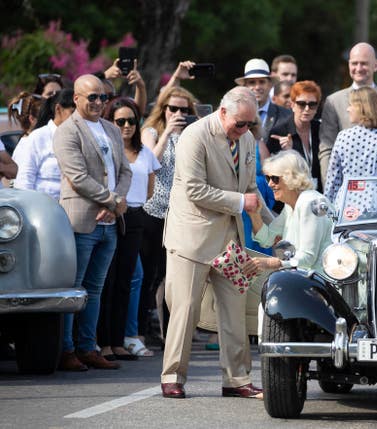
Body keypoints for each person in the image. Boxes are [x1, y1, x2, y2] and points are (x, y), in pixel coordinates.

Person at [160, 86, 271, 399]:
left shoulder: (247, 138)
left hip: (229, 240)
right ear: (223, 112)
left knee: (235, 310)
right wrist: (240, 202)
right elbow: (195, 190)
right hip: (191, 240)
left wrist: (277, 227)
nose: (245, 130)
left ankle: (237, 380)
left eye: (251, 124)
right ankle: (172, 377)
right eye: (240, 123)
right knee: (185, 310)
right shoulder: (193, 137)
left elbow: (251, 190)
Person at [53, 74, 132, 371]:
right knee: (73, 289)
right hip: (81, 220)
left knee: (95, 289)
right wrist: (112, 201)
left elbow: (125, 171)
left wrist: (117, 202)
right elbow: (77, 177)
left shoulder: (111, 129)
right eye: (92, 97)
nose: (99, 103)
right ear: (76, 98)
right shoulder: (66, 131)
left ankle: (88, 347)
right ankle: (66, 349)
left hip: (110, 222)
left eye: (103, 97)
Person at [97, 97, 160, 361]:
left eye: (132, 121)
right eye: (120, 121)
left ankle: (120, 339)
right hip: (110, 214)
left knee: (128, 280)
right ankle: (104, 342)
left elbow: (150, 189)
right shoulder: (106, 149)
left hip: (137, 216)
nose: (126, 126)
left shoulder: (145, 152)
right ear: (110, 122)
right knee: (107, 281)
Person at [139, 86, 197, 343]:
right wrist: (168, 134)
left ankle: (171, 332)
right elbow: (150, 161)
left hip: (181, 213)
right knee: (150, 272)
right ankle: (145, 327)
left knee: (172, 275)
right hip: (153, 210)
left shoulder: (192, 135)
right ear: (163, 109)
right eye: (173, 108)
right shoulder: (151, 132)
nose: (178, 114)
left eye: (184, 110)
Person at [319, 42, 377, 184]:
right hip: (346, 189)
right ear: (348, 65)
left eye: (364, 63)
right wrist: (332, 188)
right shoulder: (334, 101)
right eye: (354, 63)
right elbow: (327, 149)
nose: (358, 68)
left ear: (375, 65)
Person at [247, 150, 333, 273]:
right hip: (302, 279)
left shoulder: (310, 202)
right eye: (268, 178)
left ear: (291, 177)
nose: (270, 184)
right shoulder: (291, 205)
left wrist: (272, 263)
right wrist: (254, 214)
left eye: (275, 178)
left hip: (321, 283)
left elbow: (308, 257)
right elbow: (267, 240)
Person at [324, 86, 377, 213]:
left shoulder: (343, 137)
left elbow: (333, 180)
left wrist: (328, 210)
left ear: (362, 108)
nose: (347, 109)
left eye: (351, 105)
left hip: (346, 204)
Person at [13, 89, 75, 199]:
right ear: (58, 109)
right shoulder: (39, 137)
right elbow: (24, 180)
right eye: (72, 112)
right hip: (43, 210)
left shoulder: (81, 136)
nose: (77, 118)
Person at [267, 80, 323, 192]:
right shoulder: (279, 131)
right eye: (301, 104)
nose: (307, 109)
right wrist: (289, 153)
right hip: (291, 195)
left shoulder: (320, 129)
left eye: (312, 105)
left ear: (317, 108)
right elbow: (272, 175)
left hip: (318, 194)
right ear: (292, 105)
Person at [235, 58, 292, 139]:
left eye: (262, 82)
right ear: (245, 86)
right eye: (252, 82)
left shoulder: (286, 115)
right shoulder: (235, 115)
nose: (257, 87)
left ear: (270, 85)